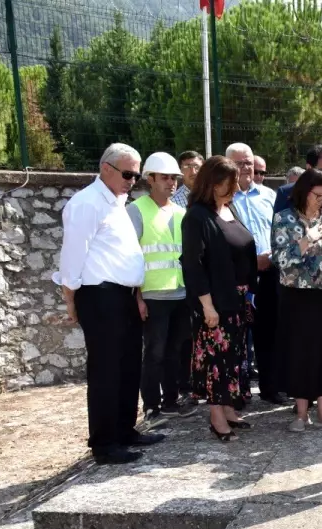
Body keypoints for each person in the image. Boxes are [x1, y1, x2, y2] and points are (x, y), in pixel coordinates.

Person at [58, 143, 163, 465]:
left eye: (136, 175)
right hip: (99, 294)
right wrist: (70, 297)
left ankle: (124, 429)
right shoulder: (87, 204)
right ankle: (104, 442)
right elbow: (73, 254)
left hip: (123, 295)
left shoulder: (116, 202)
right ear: (106, 168)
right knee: (106, 370)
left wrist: (138, 295)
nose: (132, 181)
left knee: (129, 365)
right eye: (128, 174)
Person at [181, 156, 257, 441]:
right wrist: (207, 306)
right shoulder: (197, 217)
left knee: (233, 358)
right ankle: (216, 417)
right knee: (215, 361)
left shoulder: (229, 209)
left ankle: (228, 409)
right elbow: (193, 265)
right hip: (214, 302)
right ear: (213, 184)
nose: (236, 188)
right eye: (230, 183)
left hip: (236, 299)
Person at [271, 169, 322, 433]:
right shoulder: (284, 219)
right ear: (304, 191)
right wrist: (308, 239)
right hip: (299, 297)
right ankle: (301, 414)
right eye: (318, 195)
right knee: (302, 353)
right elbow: (280, 260)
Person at [126, 151, 192, 423]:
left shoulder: (180, 212)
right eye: (165, 178)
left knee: (176, 350)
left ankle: (171, 400)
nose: (171, 183)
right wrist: (138, 298)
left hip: (180, 292)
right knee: (154, 352)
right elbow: (131, 258)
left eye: (174, 178)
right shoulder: (136, 210)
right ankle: (151, 405)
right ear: (150, 179)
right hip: (153, 294)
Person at [226, 142, 282, 403]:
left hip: (270, 274)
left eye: (248, 162)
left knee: (269, 334)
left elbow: (279, 232)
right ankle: (238, 392)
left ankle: (271, 388)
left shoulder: (269, 196)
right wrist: (250, 262)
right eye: (239, 163)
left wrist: (270, 257)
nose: (245, 168)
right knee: (236, 337)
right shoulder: (223, 200)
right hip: (237, 276)